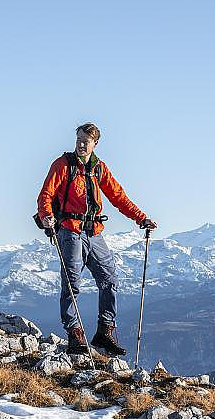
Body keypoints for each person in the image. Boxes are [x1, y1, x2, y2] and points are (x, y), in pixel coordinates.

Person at [37, 122, 157, 356]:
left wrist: (141, 219)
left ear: (95, 143)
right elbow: (46, 195)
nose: (81, 144)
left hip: (94, 232)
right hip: (70, 231)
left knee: (109, 279)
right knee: (72, 285)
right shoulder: (63, 165)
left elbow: (118, 197)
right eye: (79, 140)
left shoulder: (98, 168)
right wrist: (47, 218)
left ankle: (105, 330)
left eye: (86, 141)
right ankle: (74, 333)